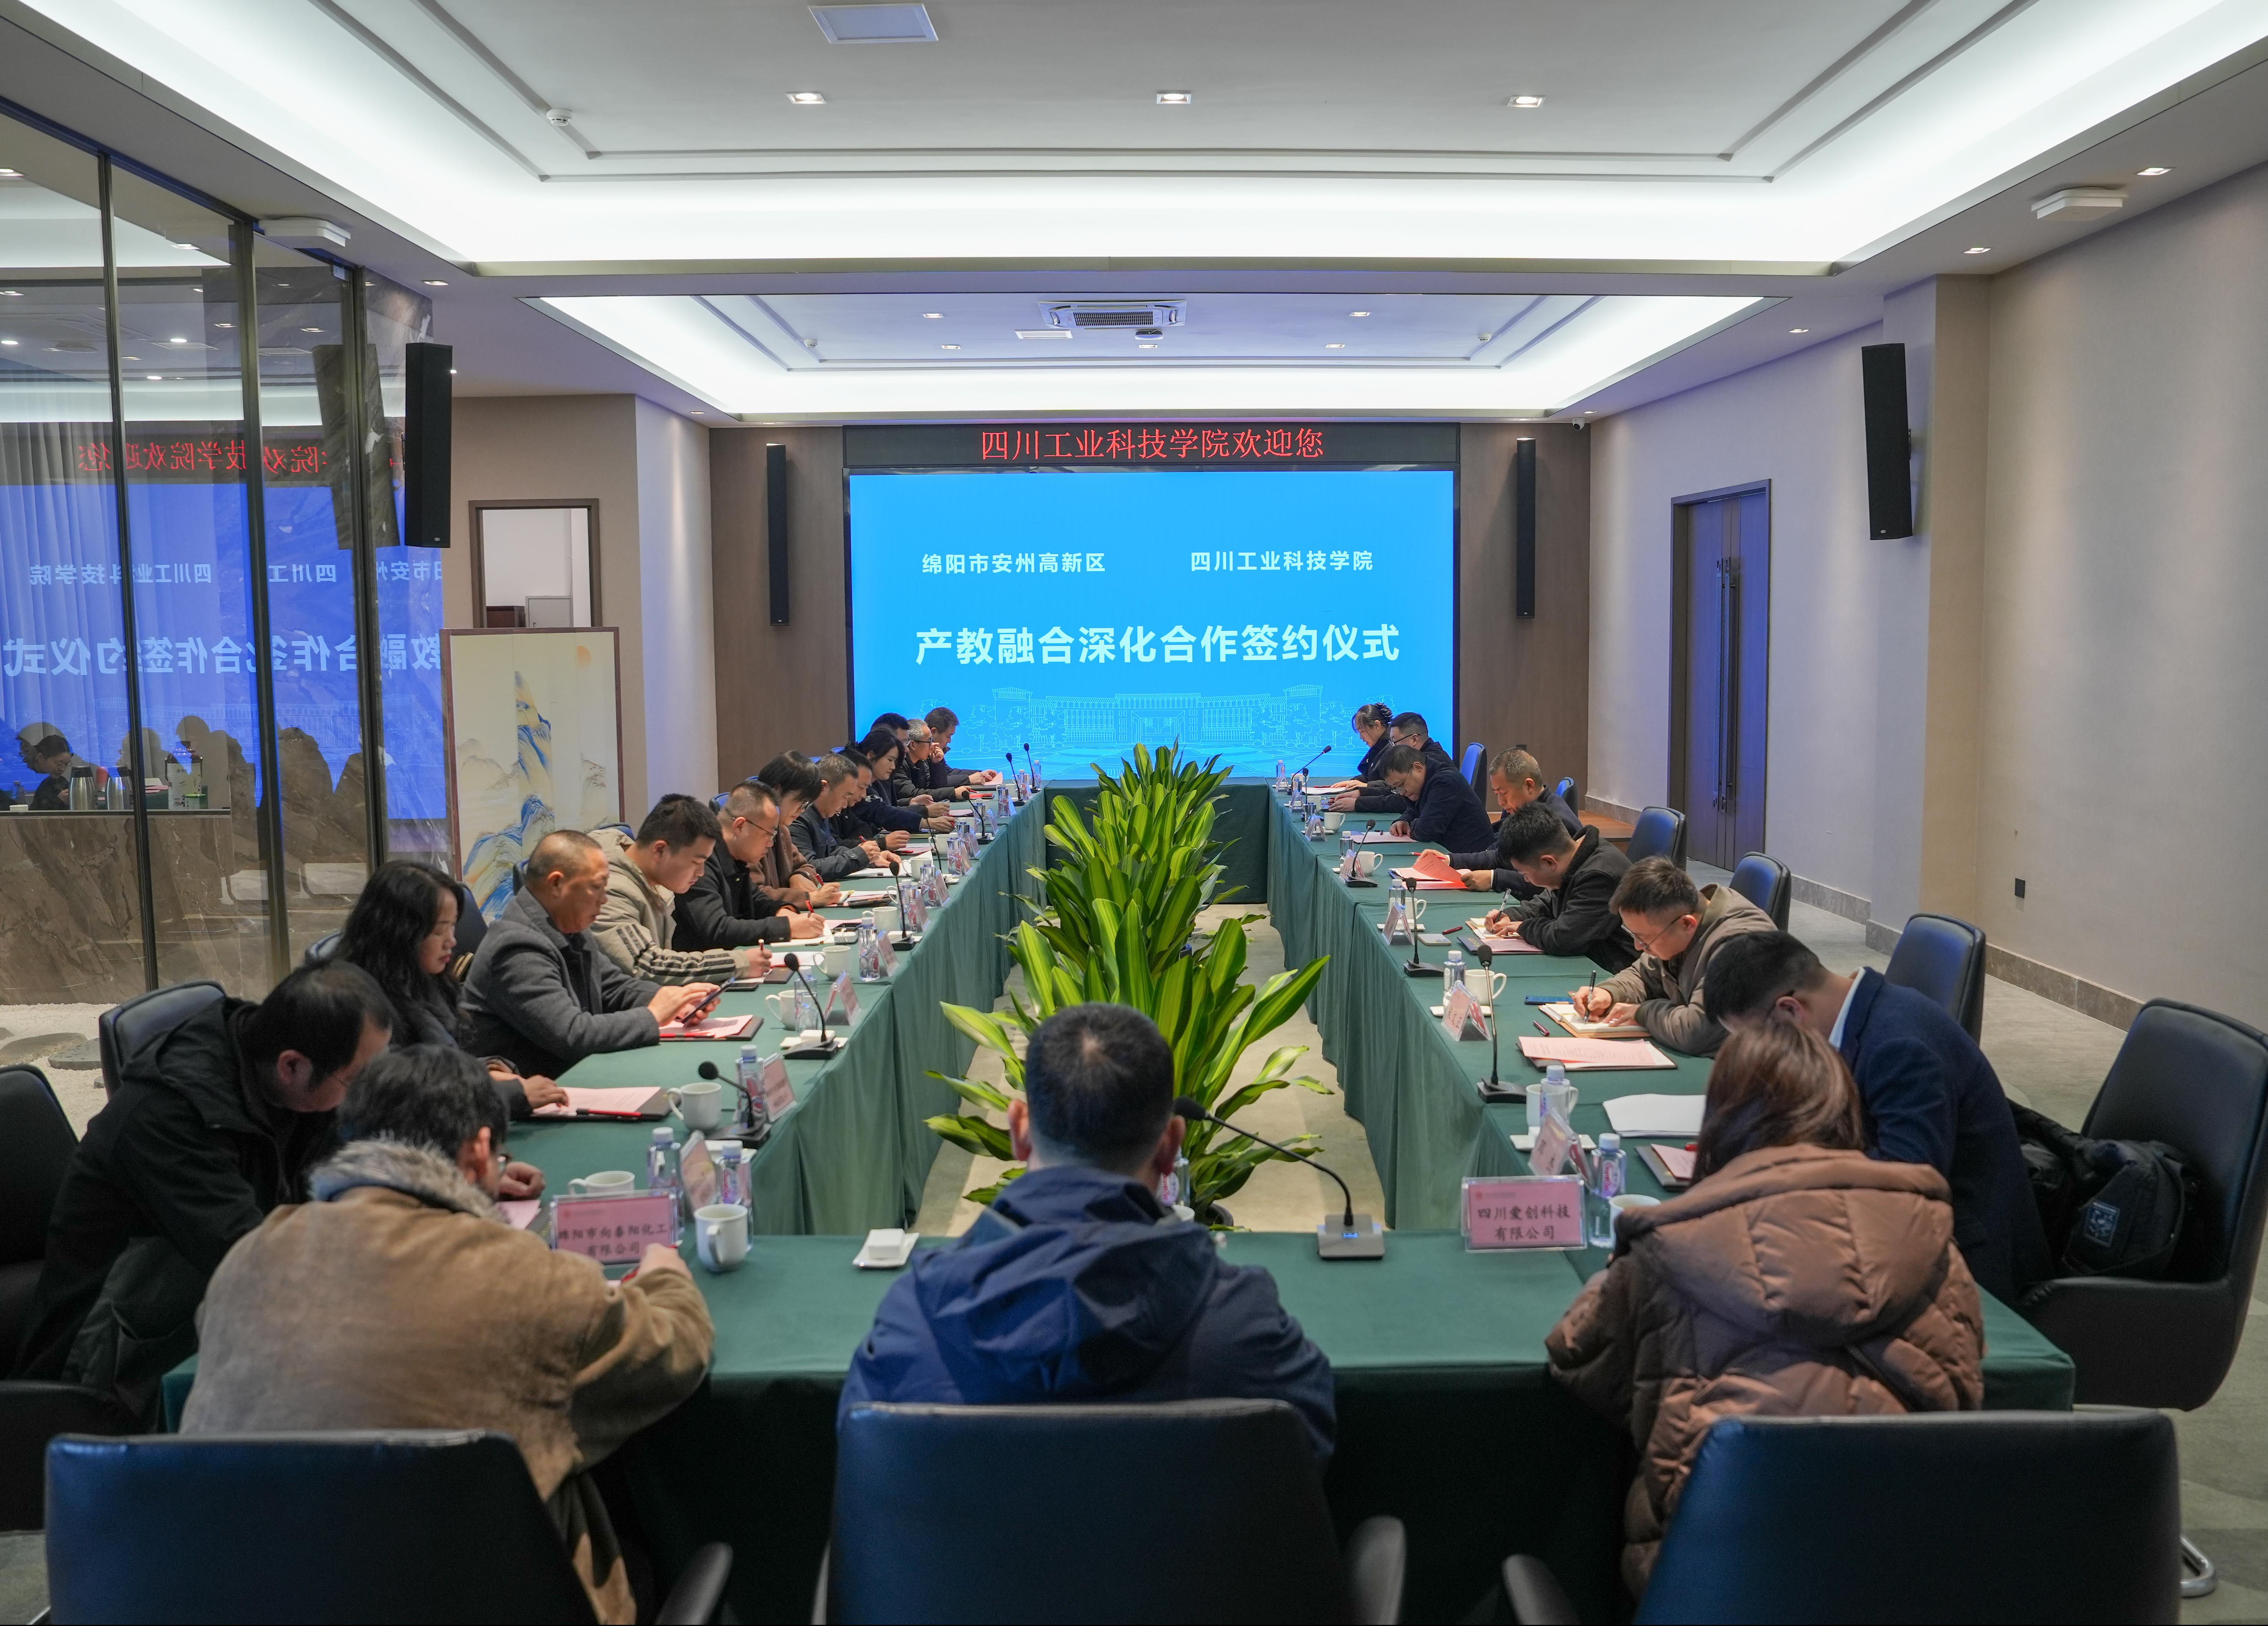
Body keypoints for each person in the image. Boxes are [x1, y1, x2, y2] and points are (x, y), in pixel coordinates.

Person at [181, 1046, 713, 1626]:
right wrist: (666, 1276)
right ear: (480, 1150)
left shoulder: (248, 1257)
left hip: (255, 1594)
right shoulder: (528, 1278)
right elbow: (675, 1349)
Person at [1545, 1021, 1983, 1594]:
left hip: (1706, 1584)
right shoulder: (1934, 1244)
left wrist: (1619, 1280)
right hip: (1903, 1579)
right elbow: (1962, 1389)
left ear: (1721, 1119)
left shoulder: (1667, 1247)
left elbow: (1577, 1354)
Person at [840, 1003, 1336, 1460]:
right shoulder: (1247, 1329)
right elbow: (1311, 1455)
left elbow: (864, 1468)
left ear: (1019, 1131)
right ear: (1171, 1145)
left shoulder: (911, 1321)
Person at [13, 962, 396, 1412]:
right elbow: (254, 1256)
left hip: (203, 1311)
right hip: (110, 1366)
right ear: (291, 1065)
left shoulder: (281, 1068)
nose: (363, 1095)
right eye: (356, 1080)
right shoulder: (170, 1114)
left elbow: (348, 1169)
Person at [1702, 931, 2051, 1301]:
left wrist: (1786, 1167)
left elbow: (1905, 1181)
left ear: (1791, 1010)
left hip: (1968, 1270)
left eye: (1756, 1042)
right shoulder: (1859, 1016)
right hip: (1903, 1238)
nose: (1760, 1056)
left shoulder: (1900, 1047)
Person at [459, 830, 717, 1080]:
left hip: (572, 1078)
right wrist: (654, 1015)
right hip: (535, 1094)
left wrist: (671, 1000)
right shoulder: (516, 948)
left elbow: (612, 987)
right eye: (597, 887)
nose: (604, 899)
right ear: (557, 884)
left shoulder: (568, 924)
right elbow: (573, 1035)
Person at [334, 860, 569, 1117]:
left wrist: (488, 1070)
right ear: (398, 932)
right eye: (439, 931)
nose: (452, 941)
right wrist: (512, 1094)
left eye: (453, 926)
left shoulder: (425, 980)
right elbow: (404, 1095)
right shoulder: (360, 1005)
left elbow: (445, 1058)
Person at [1569, 857, 1777, 1054]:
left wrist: (1642, 1012)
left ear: (1687, 924)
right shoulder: (1679, 922)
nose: (1638, 947)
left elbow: (1697, 1032)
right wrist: (1610, 993)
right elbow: (1644, 974)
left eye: (1644, 939)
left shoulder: (1741, 946)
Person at [592, 793, 764, 986]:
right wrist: (737, 962)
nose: (701, 873)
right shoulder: (609, 892)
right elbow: (646, 965)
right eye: (696, 862)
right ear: (660, 850)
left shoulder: (653, 880)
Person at [1476, 801, 1638, 969]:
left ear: (1549, 862)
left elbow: (1564, 939)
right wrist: (1513, 915)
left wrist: (1523, 928)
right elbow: (1550, 899)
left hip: (1616, 970)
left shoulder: (1599, 877)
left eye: (1525, 874)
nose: (1526, 880)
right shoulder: (1573, 855)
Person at [677, 779, 826, 951]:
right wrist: (787, 928)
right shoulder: (701, 860)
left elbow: (755, 899)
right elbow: (717, 929)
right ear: (740, 826)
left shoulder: (735, 856)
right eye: (769, 834)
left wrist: (782, 912)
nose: (771, 844)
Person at [1444, 748, 1580, 896]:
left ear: (1529, 786)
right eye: (1497, 794)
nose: (1500, 802)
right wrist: (1450, 860)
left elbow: (1549, 884)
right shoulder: (1523, 809)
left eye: (1504, 793)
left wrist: (1495, 879)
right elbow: (1500, 857)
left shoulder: (1558, 823)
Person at [1379, 740, 1494, 852]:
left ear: (1418, 768)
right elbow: (1414, 811)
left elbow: (1425, 832)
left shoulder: (1445, 782)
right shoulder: (1427, 779)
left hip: (1472, 858)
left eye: (1401, 785)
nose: (1401, 793)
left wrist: (1413, 824)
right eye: (1396, 789)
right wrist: (1404, 821)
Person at [1333, 711, 1451, 815]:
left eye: (1395, 742)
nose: (1393, 748)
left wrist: (1358, 804)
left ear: (1414, 739)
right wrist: (1361, 793)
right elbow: (1395, 790)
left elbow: (1402, 801)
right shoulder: (1422, 757)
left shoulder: (1431, 761)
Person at [793, 753, 887, 881]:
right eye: (845, 796)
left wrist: (872, 858)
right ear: (823, 787)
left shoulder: (822, 813)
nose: (845, 805)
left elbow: (833, 850)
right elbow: (811, 868)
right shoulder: (797, 817)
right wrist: (860, 856)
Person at [857, 730, 953, 834]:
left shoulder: (879, 779)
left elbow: (887, 808)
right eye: (890, 760)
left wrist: (911, 802)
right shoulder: (860, 783)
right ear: (871, 756)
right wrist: (926, 819)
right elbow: (883, 813)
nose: (893, 767)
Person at [922, 705, 1001, 793]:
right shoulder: (921, 755)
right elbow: (934, 783)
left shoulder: (933, 752)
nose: (950, 741)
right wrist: (968, 779)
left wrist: (980, 774)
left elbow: (949, 772)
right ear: (934, 732)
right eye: (948, 736)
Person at [20, 731, 73, 809]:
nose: (63, 769)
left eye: (67, 764)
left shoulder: (61, 781)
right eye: (59, 764)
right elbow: (34, 812)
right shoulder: (30, 780)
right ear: (41, 758)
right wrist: (59, 801)